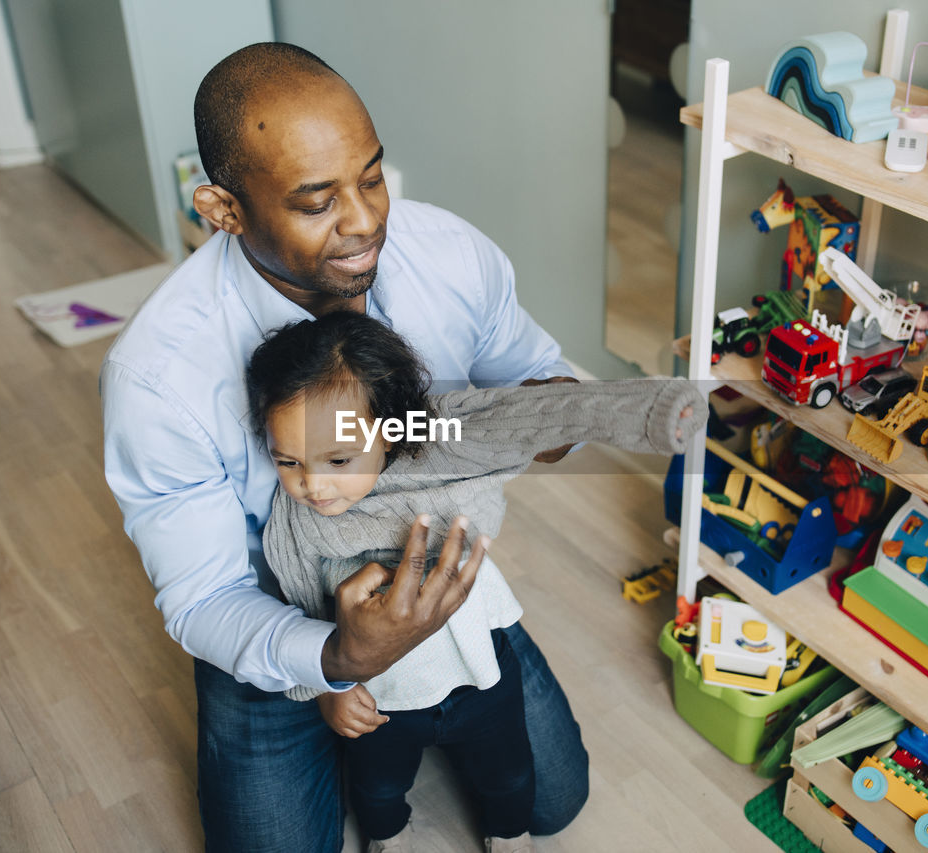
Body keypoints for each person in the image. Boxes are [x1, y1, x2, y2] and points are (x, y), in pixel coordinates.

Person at [100, 42, 590, 852]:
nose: (365, 221)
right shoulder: (159, 378)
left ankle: (422, 704)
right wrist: (337, 654)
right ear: (223, 210)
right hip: (282, 606)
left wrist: (557, 416)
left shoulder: (449, 255)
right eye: (315, 200)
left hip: (426, 572)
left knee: (555, 801)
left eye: (370, 176)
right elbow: (202, 596)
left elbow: (539, 374)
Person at [245, 312, 707, 852]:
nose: (313, 484)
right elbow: (304, 610)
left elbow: (524, 416)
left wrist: (649, 410)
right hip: (383, 701)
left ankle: (508, 837)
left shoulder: (435, 441)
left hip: (480, 677)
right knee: (377, 788)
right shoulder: (296, 521)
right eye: (289, 461)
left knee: (511, 777)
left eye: (338, 459)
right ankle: (390, 838)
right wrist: (329, 688)